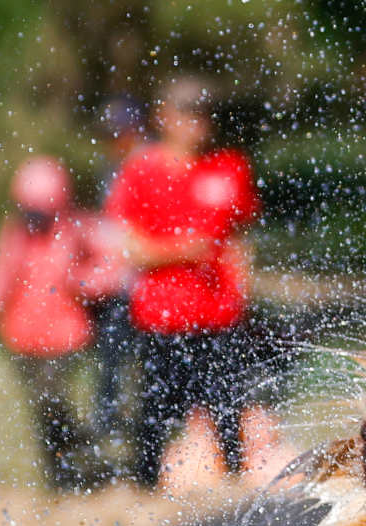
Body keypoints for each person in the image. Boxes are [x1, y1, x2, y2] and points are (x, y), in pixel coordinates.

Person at [105, 76, 272, 490]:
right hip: (161, 313)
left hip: (220, 313)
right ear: (164, 115)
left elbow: (241, 234)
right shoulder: (141, 170)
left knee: (228, 403)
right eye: (189, 110)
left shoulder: (230, 166)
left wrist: (242, 283)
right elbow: (130, 248)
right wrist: (184, 251)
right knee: (155, 407)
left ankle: (233, 480)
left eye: (205, 110)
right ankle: (145, 485)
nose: (199, 120)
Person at [0, 157, 109, 492]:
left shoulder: (80, 229)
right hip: (24, 337)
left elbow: (110, 268)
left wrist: (82, 282)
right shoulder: (15, 235)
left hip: (66, 336)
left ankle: (86, 461)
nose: (34, 218)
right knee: (42, 413)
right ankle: (59, 479)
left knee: (53, 402)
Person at [89, 95, 147, 452]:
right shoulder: (108, 169)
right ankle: (107, 423)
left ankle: (147, 426)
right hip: (116, 285)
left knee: (147, 364)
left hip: (148, 284)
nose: (113, 142)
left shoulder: (154, 165)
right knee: (110, 357)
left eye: (119, 133)